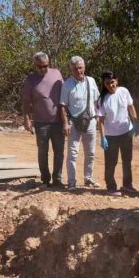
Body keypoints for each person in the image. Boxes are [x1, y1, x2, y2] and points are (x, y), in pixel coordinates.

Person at [23, 52, 65, 187]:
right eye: (40, 67)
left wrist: (66, 119)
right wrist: (27, 119)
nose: (43, 69)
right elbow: (26, 102)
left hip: (58, 120)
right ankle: (45, 179)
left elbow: (64, 96)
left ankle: (57, 178)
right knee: (42, 152)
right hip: (41, 122)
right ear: (35, 66)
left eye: (45, 66)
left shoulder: (57, 74)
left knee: (59, 151)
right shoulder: (31, 79)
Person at [60, 56, 100, 190]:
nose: (78, 71)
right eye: (75, 68)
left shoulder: (91, 81)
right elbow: (63, 106)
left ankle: (88, 178)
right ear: (71, 69)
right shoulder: (67, 84)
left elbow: (96, 101)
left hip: (91, 121)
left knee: (91, 153)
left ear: (84, 67)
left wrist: (98, 117)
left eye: (80, 67)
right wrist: (65, 124)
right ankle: (72, 181)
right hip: (74, 122)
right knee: (72, 153)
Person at [97, 71, 139, 196]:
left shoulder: (124, 91)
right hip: (111, 136)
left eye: (112, 82)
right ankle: (111, 186)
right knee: (111, 162)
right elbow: (101, 120)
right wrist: (103, 137)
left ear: (117, 81)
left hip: (126, 132)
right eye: (107, 83)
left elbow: (130, 107)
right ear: (104, 85)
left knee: (127, 160)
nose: (110, 85)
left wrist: (135, 122)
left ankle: (127, 184)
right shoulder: (102, 99)